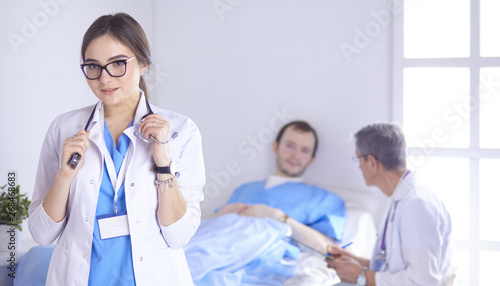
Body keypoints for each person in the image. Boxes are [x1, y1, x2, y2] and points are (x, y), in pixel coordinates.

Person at [28, 13, 205, 285]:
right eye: (93, 66)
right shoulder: (64, 128)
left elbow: (178, 235)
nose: (104, 78)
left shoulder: (181, 131)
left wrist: (163, 162)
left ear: (143, 63)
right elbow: (41, 234)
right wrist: (64, 176)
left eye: (118, 64)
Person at [326, 123, 452, 286]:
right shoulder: (400, 195)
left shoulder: (416, 205)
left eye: (358, 158)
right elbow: (395, 267)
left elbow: (422, 282)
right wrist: (357, 262)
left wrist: (361, 276)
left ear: (371, 162)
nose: (358, 166)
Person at [215, 121, 346, 253]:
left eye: (304, 150)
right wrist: (221, 214)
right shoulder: (244, 189)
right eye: (290, 146)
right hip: (215, 248)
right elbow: (208, 229)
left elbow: (329, 250)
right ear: (275, 147)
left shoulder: (324, 200)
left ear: (311, 159)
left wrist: (278, 217)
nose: (296, 155)